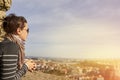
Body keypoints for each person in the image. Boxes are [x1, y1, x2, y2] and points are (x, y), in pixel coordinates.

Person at [0, 13, 36, 80]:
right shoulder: (11, 46)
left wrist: (23, 63)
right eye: (27, 30)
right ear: (19, 30)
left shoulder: (5, 44)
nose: (28, 33)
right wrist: (26, 67)